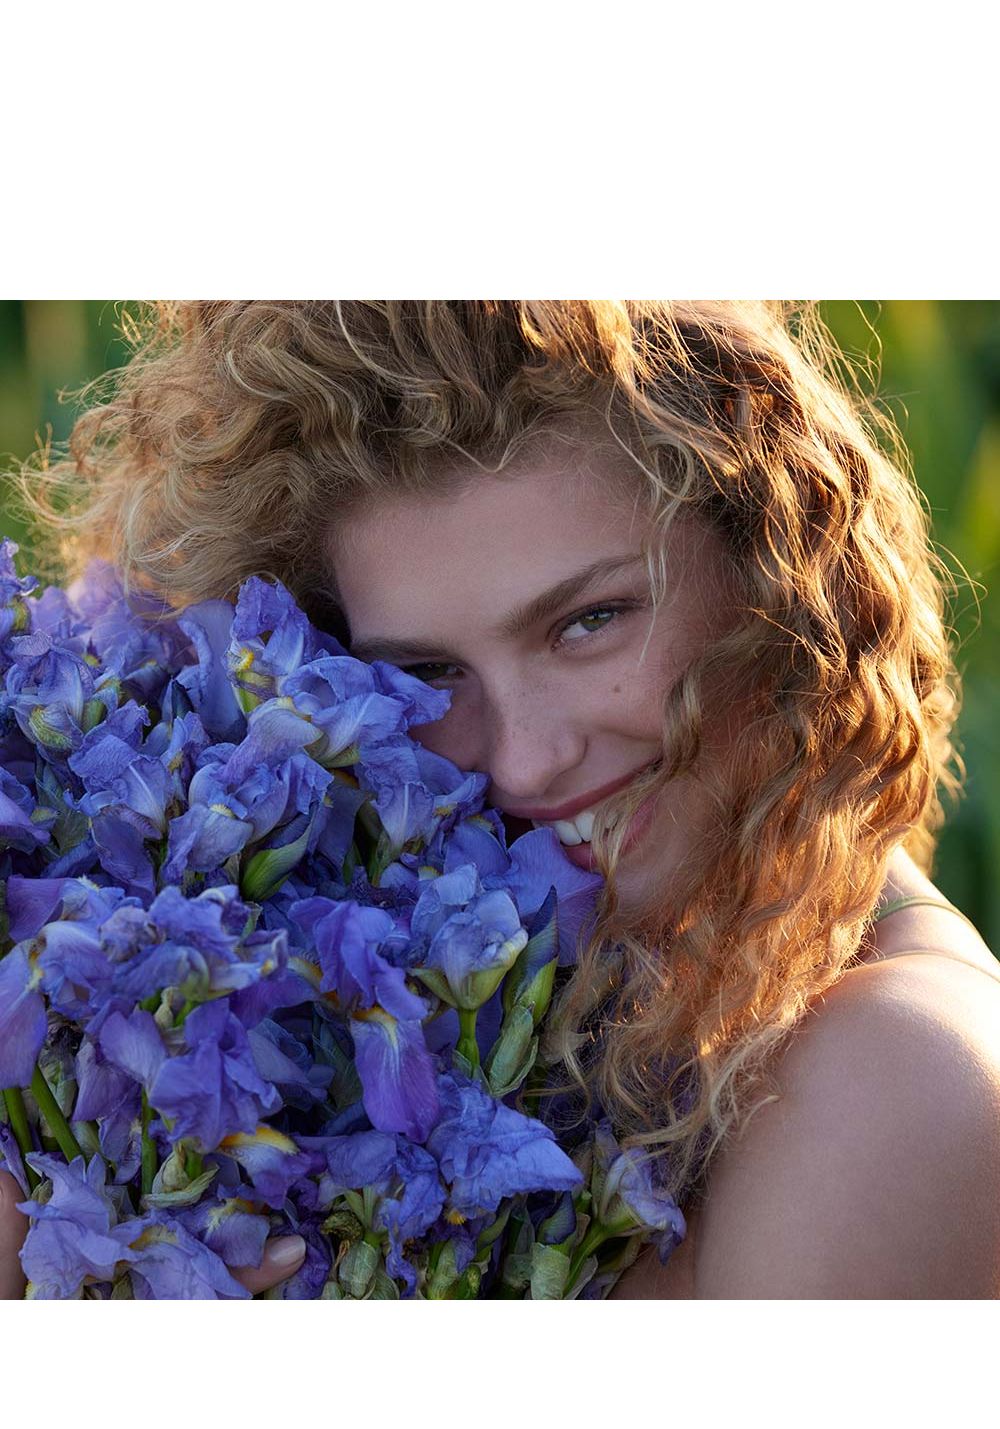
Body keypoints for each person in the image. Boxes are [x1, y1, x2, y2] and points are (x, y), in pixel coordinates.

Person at [4, 299, 1000, 1298]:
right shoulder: (631, 1009)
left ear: (774, 573)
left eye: (589, 622)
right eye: (430, 672)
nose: (524, 763)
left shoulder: (889, 1081)